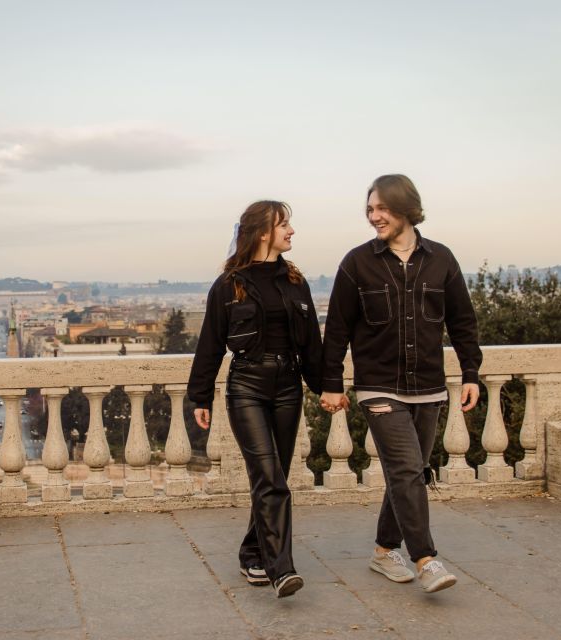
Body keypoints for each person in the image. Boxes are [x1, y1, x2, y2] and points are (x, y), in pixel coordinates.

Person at [319, 174, 482, 594]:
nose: (374, 217)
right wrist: (333, 383)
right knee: (408, 470)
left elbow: (463, 323)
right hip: (378, 386)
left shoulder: (442, 259)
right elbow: (337, 329)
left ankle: (382, 551)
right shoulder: (357, 263)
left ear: (405, 207)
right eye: (369, 210)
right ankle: (426, 559)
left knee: (409, 473)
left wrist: (470, 374)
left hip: (429, 386)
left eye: (382, 209)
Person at [188, 201, 323, 598]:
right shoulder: (229, 285)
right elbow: (210, 346)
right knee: (269, 477)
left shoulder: (296, 282)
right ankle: (281, 568)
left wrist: (327, 388)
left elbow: (312, 344)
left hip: (288, 387)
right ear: (263, 232)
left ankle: (252, 551)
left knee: (274, 475)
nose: (292, 231)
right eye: (285, 225)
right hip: (246, 386)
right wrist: (200, 397)